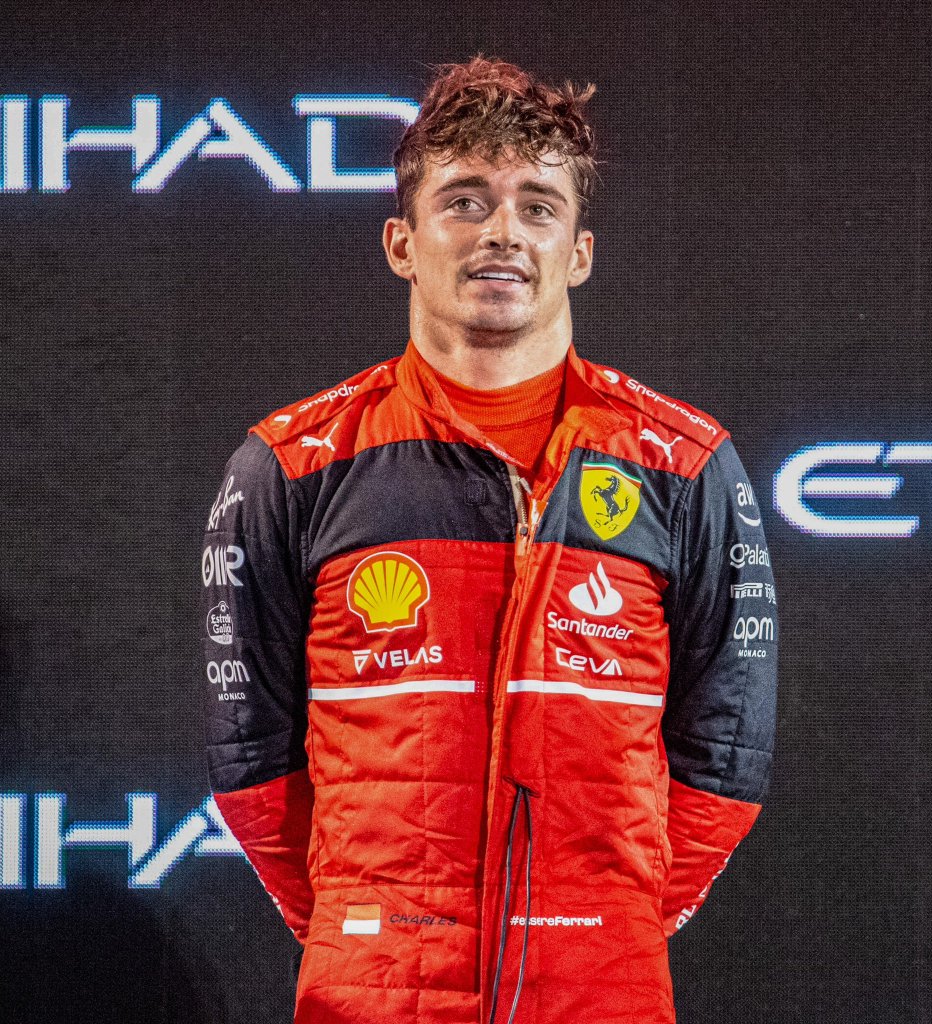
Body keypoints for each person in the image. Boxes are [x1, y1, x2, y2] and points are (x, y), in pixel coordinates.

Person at [200, 54, 778, 1024]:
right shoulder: (290, 464)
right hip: (374, 991)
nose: (503, 230)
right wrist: (372, 926)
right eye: (464, 201)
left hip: (600, 990)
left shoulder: (685, 463)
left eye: (537, 206)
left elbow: (726, 756)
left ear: (579, 252)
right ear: (401, 242)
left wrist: (597, 924)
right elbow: (251, 759)